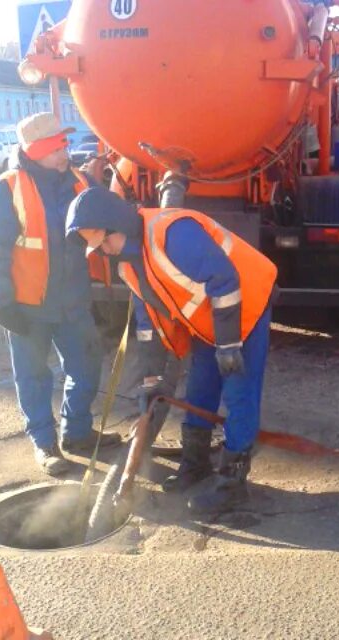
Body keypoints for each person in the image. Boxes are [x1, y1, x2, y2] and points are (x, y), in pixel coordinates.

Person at [65, 186, 277, 514]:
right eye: (99, 248)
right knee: (200, 386)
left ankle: (233, 484)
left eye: (105, 242)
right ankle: (195, 465)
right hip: (212, 319)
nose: (105, 252)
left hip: (245, 305)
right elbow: (147, 326)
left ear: (116, 224)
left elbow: (225, 281)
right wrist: (151, 380)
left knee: (238, 390)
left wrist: (229, 344)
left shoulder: (173, 234)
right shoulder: (130, 266)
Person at [0, 113, 121, 476]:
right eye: (56, 148)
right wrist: (2, 302)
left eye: (65, 145)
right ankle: (45, 443)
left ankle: (78, 433)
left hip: (73, 302)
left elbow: (105, 225)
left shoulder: (79, 181)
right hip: (27, 307)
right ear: (35, 151)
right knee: (33, 376)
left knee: (86, 368)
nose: (65, 153)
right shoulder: (6, 189)